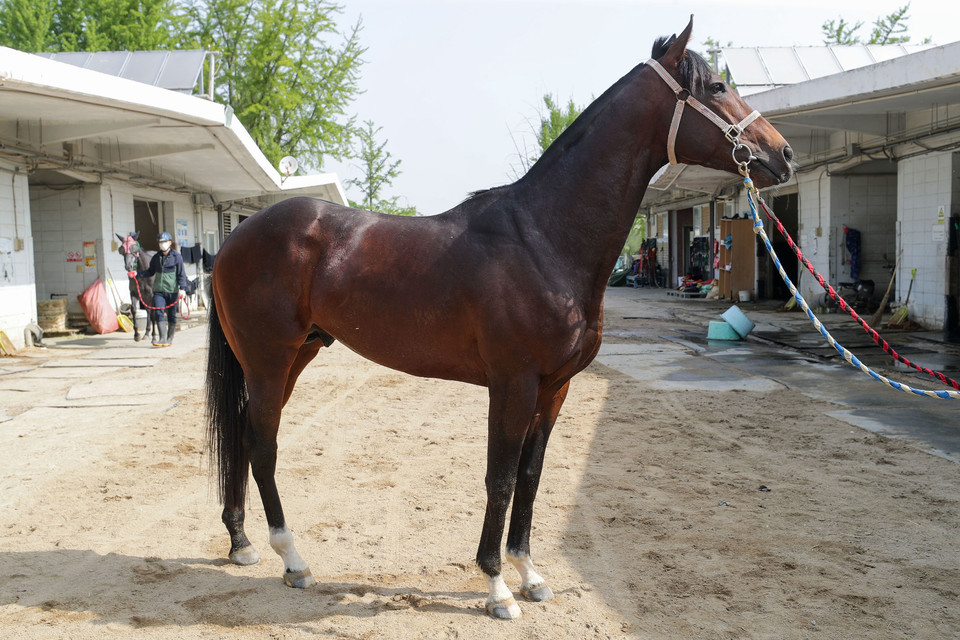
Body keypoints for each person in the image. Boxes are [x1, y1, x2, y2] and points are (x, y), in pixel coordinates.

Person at [128, 232, 187, 347]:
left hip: (172, 291)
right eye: (160, 242)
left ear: (169, 243)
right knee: (159, 312)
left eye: (164, 242)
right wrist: (137, 273)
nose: (162, 244)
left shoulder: (177, 257)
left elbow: (181, 274)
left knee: (171, 315)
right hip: (158, 291)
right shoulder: (156, 257)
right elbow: (150, 272)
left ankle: (170, 338)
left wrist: (183, 288)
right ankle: (162, 338)